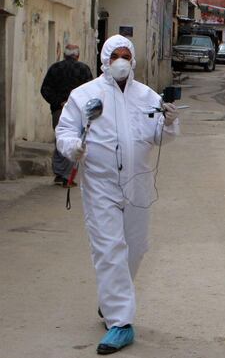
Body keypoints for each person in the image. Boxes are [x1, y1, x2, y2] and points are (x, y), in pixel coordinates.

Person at [56, 35, 180, 355]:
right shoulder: (84, 96)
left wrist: (169, 121)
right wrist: (74, 147)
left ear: (133, 59)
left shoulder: (147, 96)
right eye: (115, 56)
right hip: (100, 183)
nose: (121, 61)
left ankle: (109, 302)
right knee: (110, 248)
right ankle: (120, 322)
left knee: (136, 248)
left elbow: (158, 137)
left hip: (137, 183)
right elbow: (65, 132)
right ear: (105, 59)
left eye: (126, 55)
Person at [40, 44, 93, 186]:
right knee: (74, 140)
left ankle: (60, 173)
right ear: (77, 55)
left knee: (61, 139)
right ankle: (66, 176)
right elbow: (91, 91)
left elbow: (45, 89)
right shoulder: (83, 69)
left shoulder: (55, 68)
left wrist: (59, 102)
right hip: (78, 112)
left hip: (58, 110)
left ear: (64, 55)